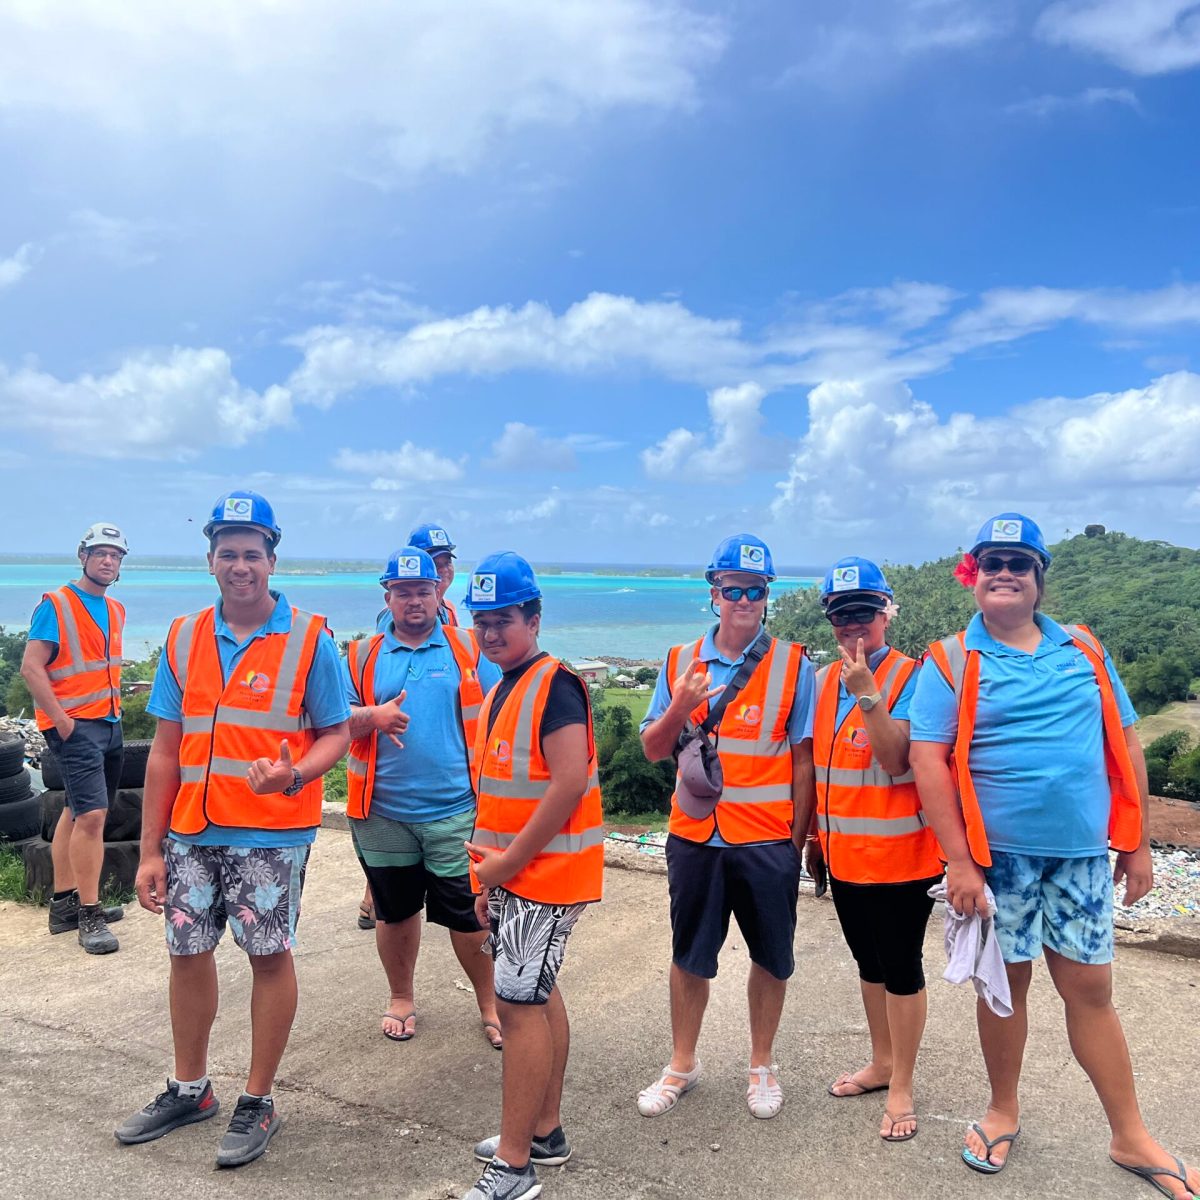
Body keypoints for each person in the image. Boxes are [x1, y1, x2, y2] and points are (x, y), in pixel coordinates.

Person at [910, 512, 1198, 1197]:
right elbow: (927, 761)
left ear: (1040, 580)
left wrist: (1136, 845)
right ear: (974, 578)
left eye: (1018, 563)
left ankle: (1130, 1135)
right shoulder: (950, 658)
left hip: (1079, 858)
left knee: (1093, 993)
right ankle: (1002, 1110)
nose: (1003, 573)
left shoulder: (1086, 650)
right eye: (991, 563)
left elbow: (1125, 743)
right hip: (995, 859)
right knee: (1004, 993)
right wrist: (958, 862)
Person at [115, 490, 350, 1169]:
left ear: (272, 560)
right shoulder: (186, 637)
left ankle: (258, 1098)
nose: (240, 565)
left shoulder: (310, 640)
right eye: (227, 554)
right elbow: (164, 749)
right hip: (192, 831)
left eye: (252, 553)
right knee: (186, 953)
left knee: (267, 957)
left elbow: (335, 733)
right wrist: (150, 849)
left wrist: (297, 775)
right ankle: (191, 1088)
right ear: (211, 561)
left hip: (270, 834)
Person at [637, 534, 815, 1122]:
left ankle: (761, 1065)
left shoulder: (794, 664)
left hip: (766, 841)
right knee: (690, 955)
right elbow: (653, 748)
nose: (743, 599)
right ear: (714, 593)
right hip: (695, 836)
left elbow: (803, 758)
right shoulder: (677, 661)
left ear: (768, 595)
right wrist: (678, 703)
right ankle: (681, 1064)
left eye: (755, 590)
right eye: (732, 589)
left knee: (771, 957)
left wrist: (797, 840)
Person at [459, 551, 604, 1200]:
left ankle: (514, 1165)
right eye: (481, 621)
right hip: (516, 878)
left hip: (545, 875)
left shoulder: (555, 685)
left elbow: (569, 780)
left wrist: (509, 865)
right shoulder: (501, 688)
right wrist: (491, 877)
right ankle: (543, 1131)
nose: (491, 633)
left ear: (534, 618)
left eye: (504, 620)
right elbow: (500, 795)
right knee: (538, 997)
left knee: (517, 1009)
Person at [807, 556, 943, 1144]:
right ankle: (881, 1062)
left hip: (902, 861)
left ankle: (904, 1083)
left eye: (864, 611)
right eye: (841, 615)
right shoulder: (821, 681)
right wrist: (815, 838)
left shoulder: (915, 677)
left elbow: (895, 759)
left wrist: (868, 696)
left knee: (902, 969)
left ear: (886, 612)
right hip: (844, 859)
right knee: (869, 967)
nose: (852, 625)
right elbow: (822, 769)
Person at [344, 546, 503, 1047]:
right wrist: (374, 717)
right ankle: (401, 999)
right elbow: (330, 722)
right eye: (403, 592)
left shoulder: (468, 649)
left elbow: (504, 713)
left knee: (470, 917)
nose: (414, 600)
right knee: (394, 912)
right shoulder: (359, 655)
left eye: (423, 590)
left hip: (457, 812)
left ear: (439, 593)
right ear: (387, 597)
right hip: (382, 813)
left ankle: (491, 1004)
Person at [20, 523, 130, 953]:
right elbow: (32, 667)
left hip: (109, 721)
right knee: (93, 818)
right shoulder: (57, 604)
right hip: (75, 727)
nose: (108, 560)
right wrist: (63, 721)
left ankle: (64, 904)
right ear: (83, 556)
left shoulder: (116, 610)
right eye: (101, 553)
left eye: (116, 555)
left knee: (77, 810)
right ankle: (90, 914)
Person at [357, 521, 463, 930]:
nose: (445, 568)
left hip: (451, 797)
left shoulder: (455, 623)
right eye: (435, 562)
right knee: (395, 903)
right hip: (386, 801)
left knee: (463, 914)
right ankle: (373, 896)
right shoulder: (390, 625)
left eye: (445, 562)